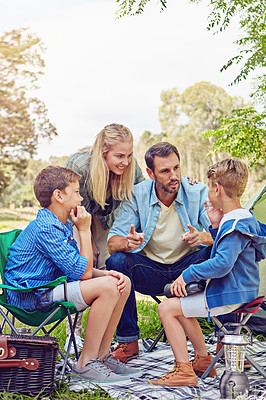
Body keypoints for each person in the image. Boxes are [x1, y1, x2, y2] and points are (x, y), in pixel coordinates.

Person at [5, 166, 142, 383]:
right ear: (58, 196)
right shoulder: (46, 228)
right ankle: (85, 363)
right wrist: (85, 231)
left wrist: (107, 273)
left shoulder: (63, 224)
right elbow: (83, 274)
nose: (81, 199)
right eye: (76, 192)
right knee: (107, 287)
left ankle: (102, 356)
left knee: (120, 281)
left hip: (51, 287)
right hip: (31, 297)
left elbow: (76, 267)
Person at [149, 158, 266, 387]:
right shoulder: (242, 218)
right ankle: (202, 360)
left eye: (209, 186)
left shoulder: (234, 225)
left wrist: (188, 273)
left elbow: (222, 263)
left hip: (231, 295)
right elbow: (233, 254)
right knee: (179, 303)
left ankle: (183, 370)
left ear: (216, 189)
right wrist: (214, 225)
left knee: (166, 308)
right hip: (243, 291)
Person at [106, 142, 215, 363]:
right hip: (151, 271)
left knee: (221, 252)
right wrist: (128, 242)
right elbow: (112, 242)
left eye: (176, 168)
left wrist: (202, 237)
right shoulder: (136, 195)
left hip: (188, 270)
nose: (173, 175)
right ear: (150, 173)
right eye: (165, 171)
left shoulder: (196, 191)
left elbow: (221, 235)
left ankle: (226, 337)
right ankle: (128, 341)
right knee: (116, 261)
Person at [64, 123, 145, 351]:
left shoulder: (131, 167)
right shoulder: (80, 166)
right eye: (119, 156)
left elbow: (144, 194)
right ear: (103, 153)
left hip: (105, 219)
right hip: (77, 217)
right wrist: (86, 241)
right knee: (83, 268)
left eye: (129, 155)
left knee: (108, 269)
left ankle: (105, 339)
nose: (125, 162)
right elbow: (73, 209)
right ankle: (74, 335)